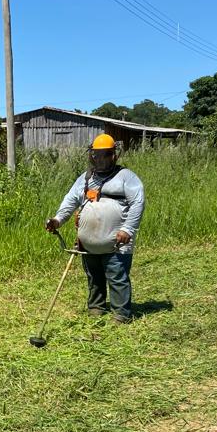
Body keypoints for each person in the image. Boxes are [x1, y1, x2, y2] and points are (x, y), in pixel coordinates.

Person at [45, 133, 145, 323]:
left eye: (104, 155)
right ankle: (96, 307)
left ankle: (121, 315)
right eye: (95, 155)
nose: (98, 159)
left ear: (113, 155)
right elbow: (71, 200)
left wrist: (128, 230)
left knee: (117, 277)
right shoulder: (85, 178)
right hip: (89, 243)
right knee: (94, 276)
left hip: (117, 242)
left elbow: (138, 203)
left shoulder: (126, 177)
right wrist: (58, 219)